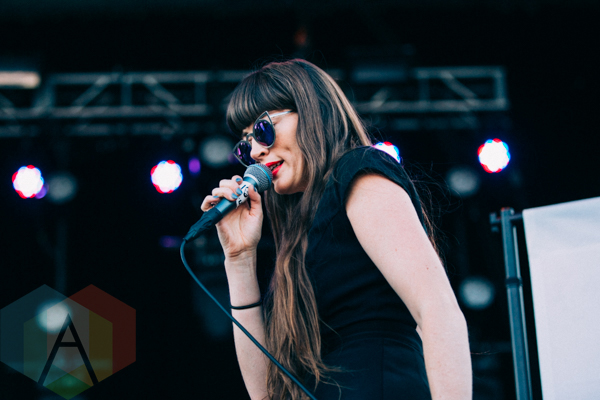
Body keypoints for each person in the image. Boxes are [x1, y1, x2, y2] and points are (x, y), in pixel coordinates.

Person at [200, 59, 472, 400]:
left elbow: (437, 310)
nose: (255, 151)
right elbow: (265, 393)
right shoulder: (299, 231)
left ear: (311, 112)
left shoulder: (357, 172)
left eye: (263, 129)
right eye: (245, 144)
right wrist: (239, 259)